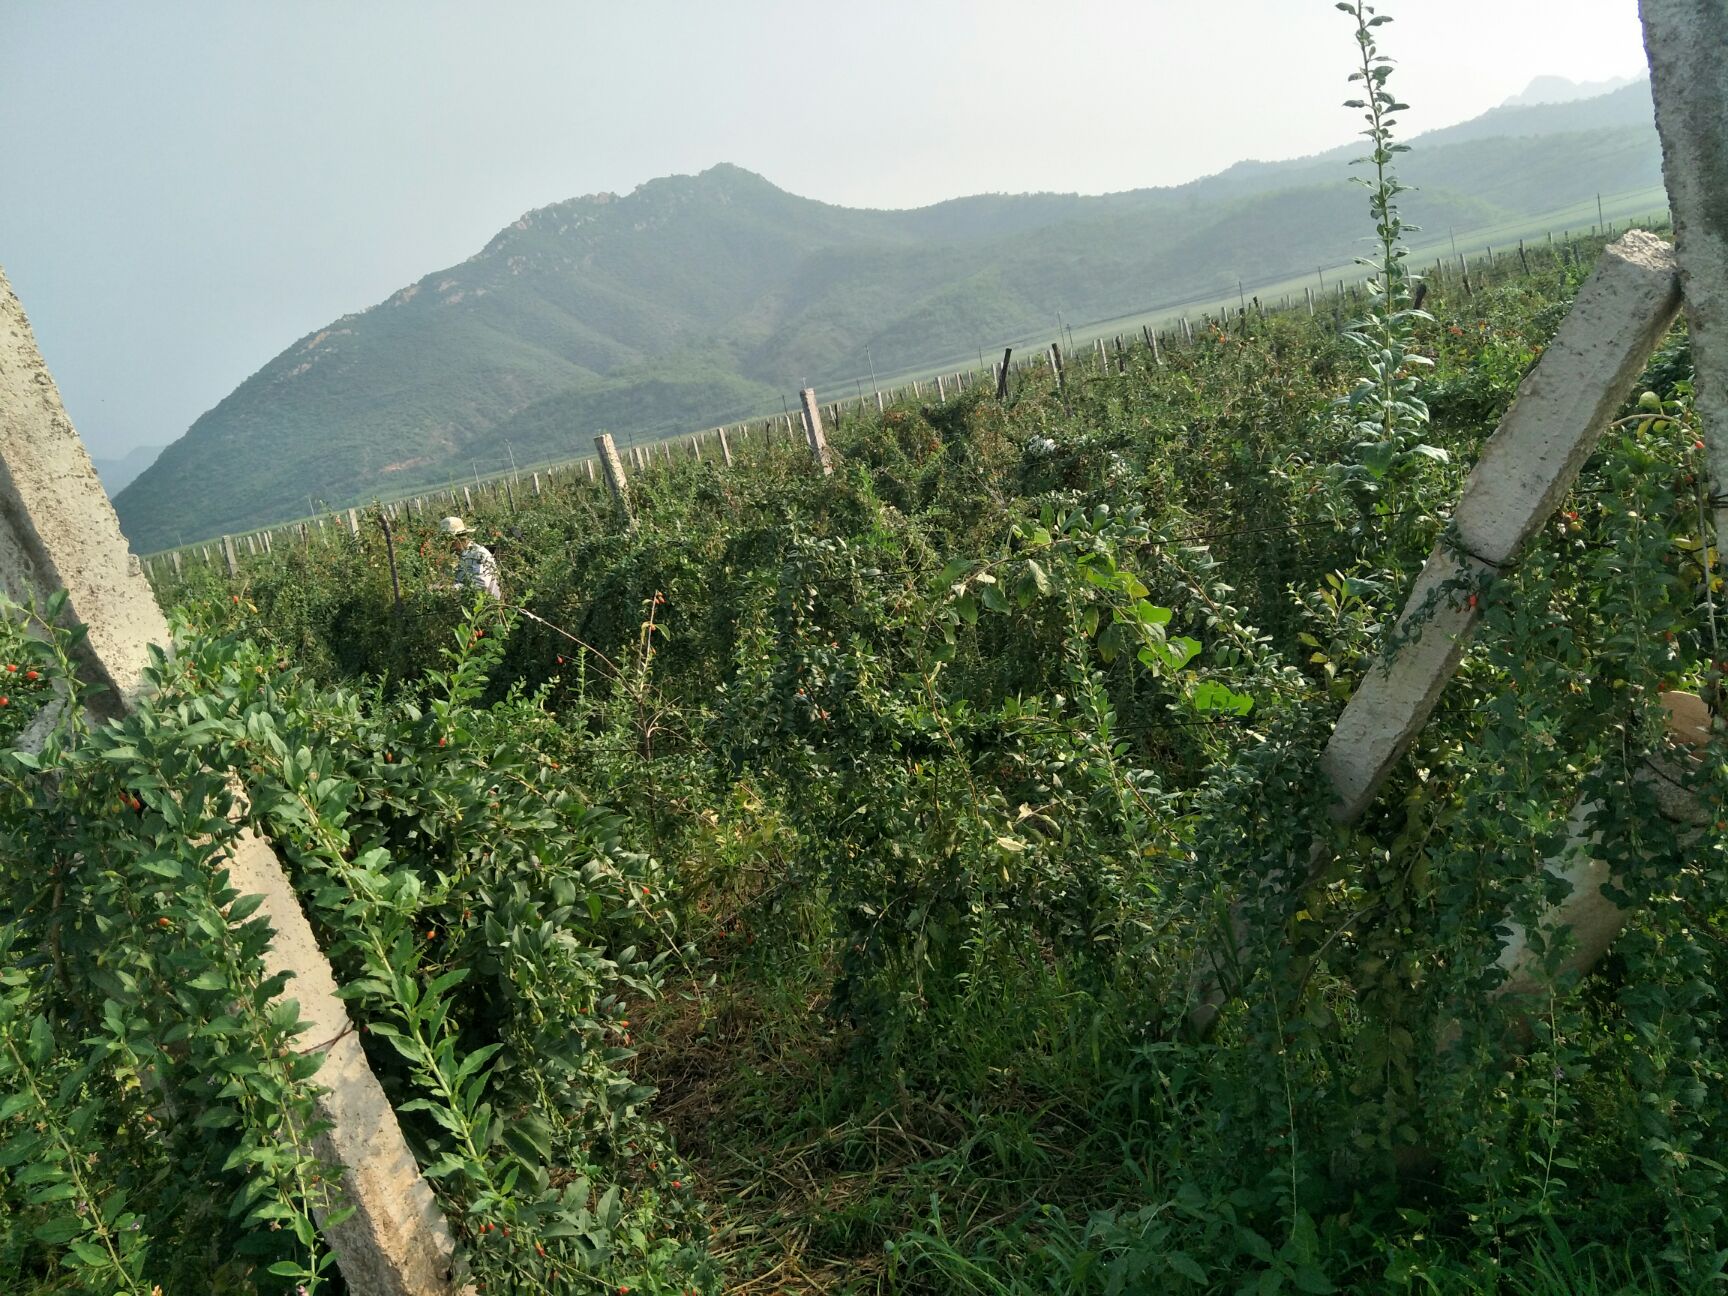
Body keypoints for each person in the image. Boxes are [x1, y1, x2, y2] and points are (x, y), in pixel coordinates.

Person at [439, 516, 501, 599]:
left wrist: (448, 588)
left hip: (487, 607)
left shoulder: (478, 554)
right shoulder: (462, 555)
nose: (446, 544)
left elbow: (480, 586)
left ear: (458, 538)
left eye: (448, 541)